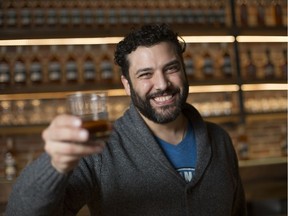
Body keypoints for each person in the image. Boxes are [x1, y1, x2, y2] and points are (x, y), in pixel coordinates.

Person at [6, 23, 247, 216]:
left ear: (183, 70)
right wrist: (54, 164)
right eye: (145, 74)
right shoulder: (100, 151)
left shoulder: (220, 140)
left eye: (171, 68)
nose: (162, 84)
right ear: (126, 85)